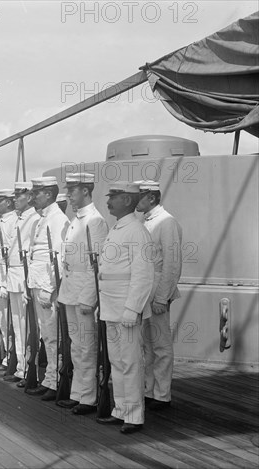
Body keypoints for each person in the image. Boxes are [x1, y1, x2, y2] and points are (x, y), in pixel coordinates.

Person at [96, 181, 154, 434]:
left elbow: (143, 275)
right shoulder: (117, 228)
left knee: (130, 362)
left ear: (128, 201)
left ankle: (133, 415)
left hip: (126, 310)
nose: (109, 201)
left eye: (115, 196)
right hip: (111, 307)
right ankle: (121, 410)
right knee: (116, 362)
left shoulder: (136, 231)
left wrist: (133, 309)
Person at [57, 173, 109, 414]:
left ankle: (88, 398)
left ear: (86, 191)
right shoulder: (75, 220)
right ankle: (78, 393)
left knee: (87, 347)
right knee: (76, 347)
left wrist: (89, 298)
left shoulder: (95, 222)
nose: (69, 194)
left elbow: (96, 264)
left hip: (83, 294)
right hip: (70, 291)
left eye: (73, 190)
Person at [135, 180, 183, 411]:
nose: (136, 201)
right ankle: (149, 390)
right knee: (147, 345)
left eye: (140, 196)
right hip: (145, 293)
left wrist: (162, 298)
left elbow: (172, 265)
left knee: (161, 345)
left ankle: (162, 394)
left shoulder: (167, 222)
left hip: (157, 293)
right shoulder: (145, 221)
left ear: (152, 198)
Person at [25, 176, 70, 401]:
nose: (33, 197)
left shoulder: (57, 219)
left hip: (46, 288)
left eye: (38, 192)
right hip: (38, 283)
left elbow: (59, 257)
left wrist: (49, 287)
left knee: (53, 338)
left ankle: (55, 381)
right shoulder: (43, 218)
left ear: (49, 194)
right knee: (46, 337)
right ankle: (50, 379)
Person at [6, 182, 41, 385]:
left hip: (24, 278)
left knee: (27, 328)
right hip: (14, 277)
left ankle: (29, 369)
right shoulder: (18, 220)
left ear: (29, 198)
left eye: (18, 196)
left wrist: (29, 282)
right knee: (18, 327)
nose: (14, 200)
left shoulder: (34, 219)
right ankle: (21, 367)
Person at [0, 189, 18, 372]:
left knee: (11, 322)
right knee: (1, 320)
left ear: (8, 202)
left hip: (6, 278)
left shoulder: (13, 221)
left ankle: (13, 360)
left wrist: (7, 283)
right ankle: (7, 356)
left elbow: (13, 256)